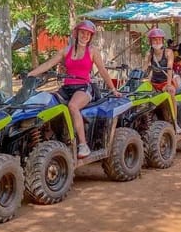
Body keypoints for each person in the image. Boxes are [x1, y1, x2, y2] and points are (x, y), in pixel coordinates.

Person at [27, 20, 120, 159]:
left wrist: (113, 89)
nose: (85, 36)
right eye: (83, 33)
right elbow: (48, 64)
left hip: (84, 87)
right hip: (67, 88)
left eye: (88, 34)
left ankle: (83, 145)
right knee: (46, 103)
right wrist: (30, 74)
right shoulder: (66, 50)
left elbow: (103, 71)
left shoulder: (92, 51)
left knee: (73, 106)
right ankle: (51, 138)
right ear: (76, 34)